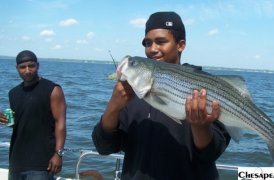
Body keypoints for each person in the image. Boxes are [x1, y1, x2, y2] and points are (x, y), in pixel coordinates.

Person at [92, 11, 230, 180]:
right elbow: (104, 147)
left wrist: (200, 126)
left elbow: (211, 154)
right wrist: (113, 106)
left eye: (161, 42)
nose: (152, 49)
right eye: (148, 43)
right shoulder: (133, 89)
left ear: (181, 45)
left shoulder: (207, 87)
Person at [0, 50, 67, 180]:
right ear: (17, 68)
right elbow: (21, 124)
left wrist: (58, 154)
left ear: (38, 65)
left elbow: (60, 122)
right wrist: (5, 120)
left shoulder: (53, 89)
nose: (27, 70)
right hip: (16, 162)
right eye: (22, 67)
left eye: (31, 66)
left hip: (41, 164)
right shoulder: (13, 93)